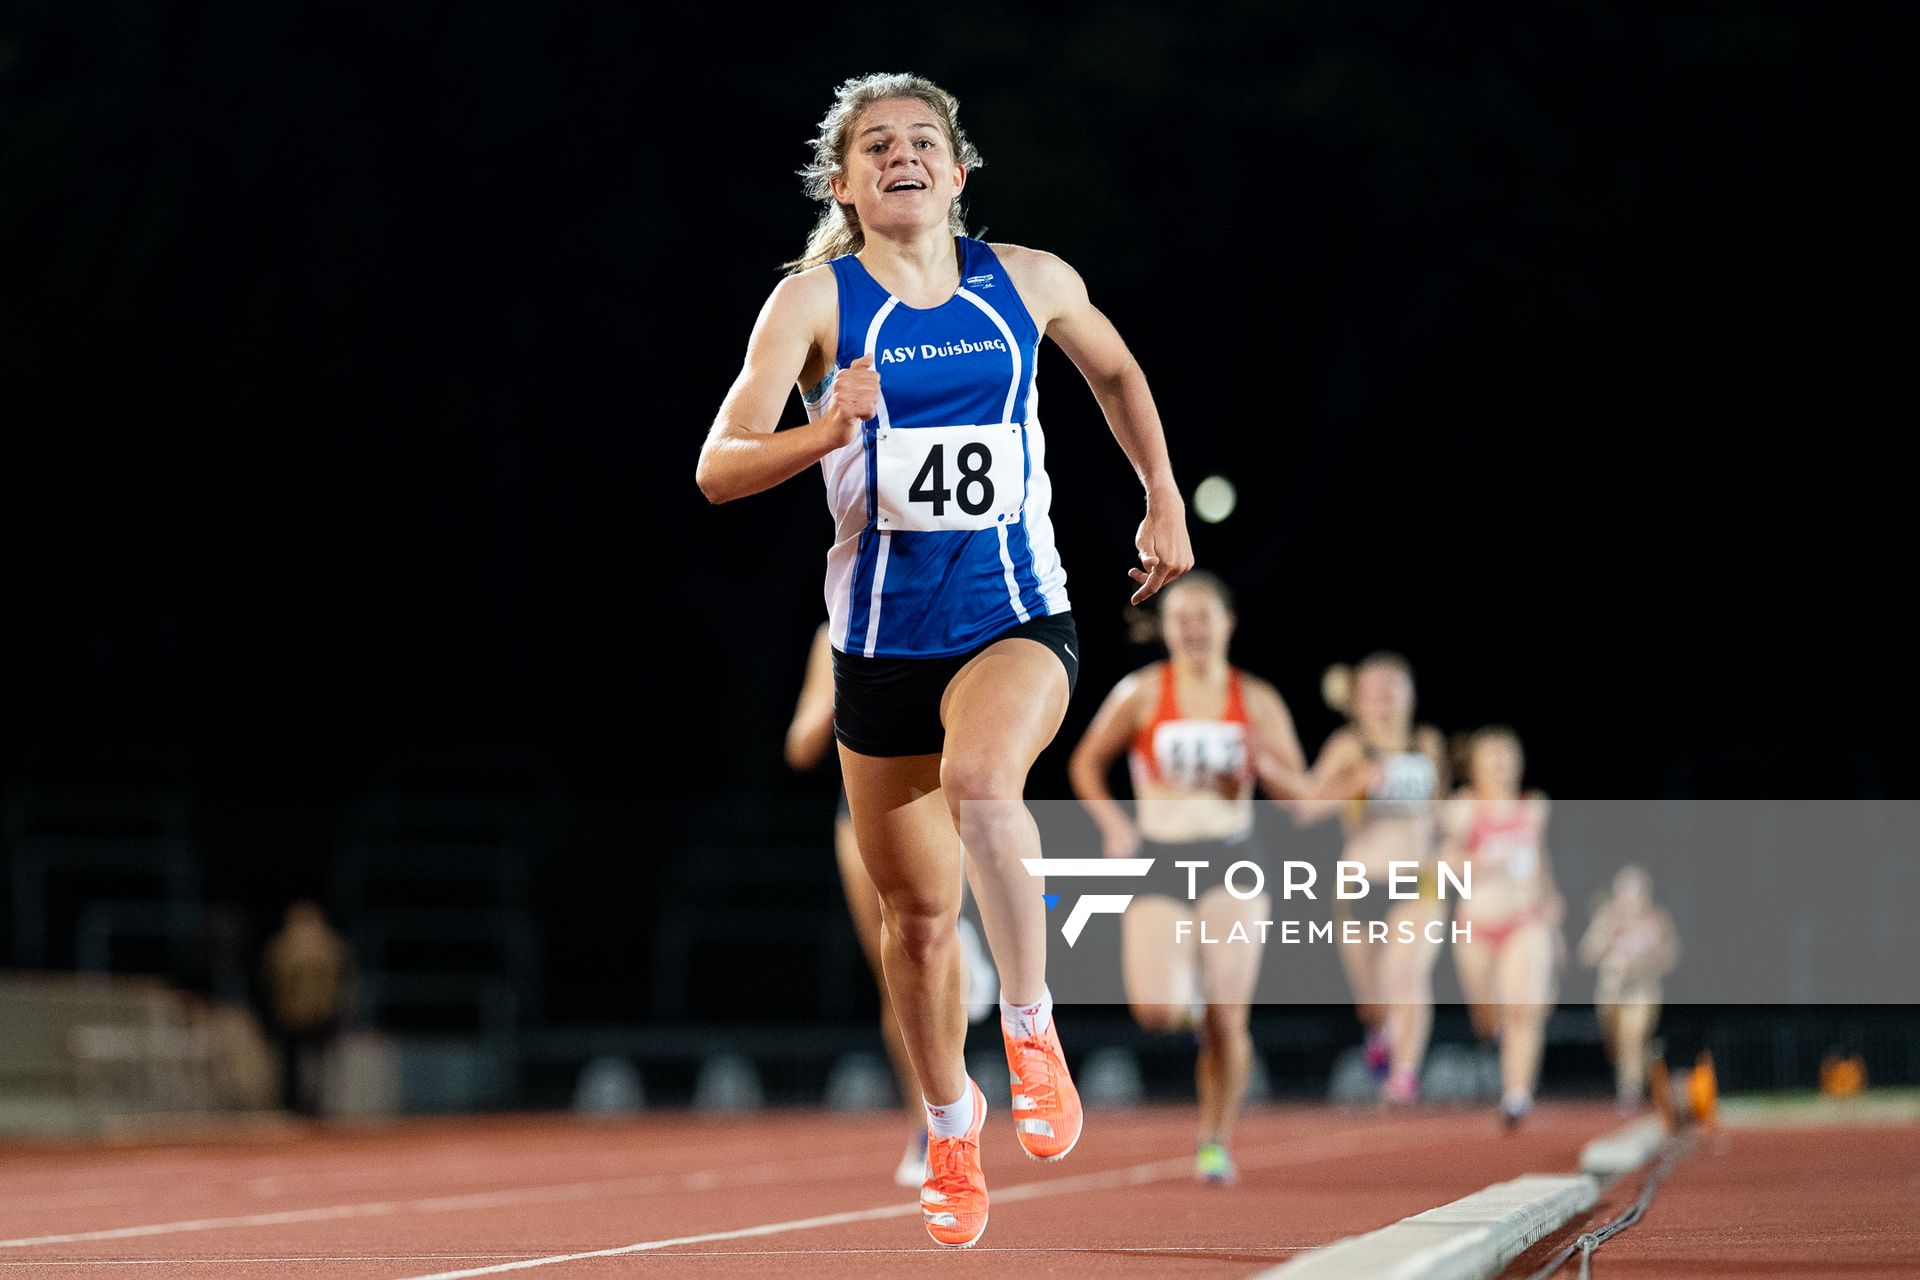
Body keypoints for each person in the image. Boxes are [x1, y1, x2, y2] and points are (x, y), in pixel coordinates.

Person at [697, 72, 1192, 1248]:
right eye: (878, 145)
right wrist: (827, 424)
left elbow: (1117, 373)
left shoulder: (1028, 280)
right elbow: (718, 464)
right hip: (879, 645)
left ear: (960, 172)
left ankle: (1030, 1024)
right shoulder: (812, 306)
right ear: (844, 181)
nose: (903, 156)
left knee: (985, 786)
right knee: (915, 923)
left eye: (925, 141)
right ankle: (950, 1121)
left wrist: (1161, 495)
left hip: (1016, 613)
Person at [1068, 571, 1307, 1185]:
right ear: (1166, 628)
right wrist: (1114, 826)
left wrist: (1261, 765)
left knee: (1228, 1023)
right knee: (1155, 1010)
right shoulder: (1142, 693)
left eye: (1206, 616)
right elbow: (1085, 764)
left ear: (1228, 623)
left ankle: (1215, 1139)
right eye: (1182, 617)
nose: (1195, 628)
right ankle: (1193, 1009)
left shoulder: (1256, 699)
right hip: (1161, 862)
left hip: (1232, 863)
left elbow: (1301, 798)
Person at [786, 620, 999, 1187]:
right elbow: (801, 745)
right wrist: (856, 685)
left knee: (936, 940)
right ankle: (930, 1123)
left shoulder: (965, 607)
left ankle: (970, 955)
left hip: (940, 800)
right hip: (863, 812)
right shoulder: (833, 632)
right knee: (897, 972)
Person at [1295, 654, 1449, 1105]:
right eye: (1373, 687)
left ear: (1411, 694)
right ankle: (1380, 1032)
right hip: (1359, 886)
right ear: (1357, 700)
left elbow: (1439, 811)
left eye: (1392, 685)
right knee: (1373, 1001)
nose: (1383, 695)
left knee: (1405, 974)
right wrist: (1358, 781)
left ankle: (1404, 1075)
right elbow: (1306, 808)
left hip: (1418, 880)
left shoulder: (1427, 742)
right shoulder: (1348, 746)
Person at [1439, 727, 1564, 1128]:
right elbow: (1441, 863)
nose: (1499, 763)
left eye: (1506, 754)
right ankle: (1496, 1040)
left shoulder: (1534, 806)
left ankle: (1516, 1096)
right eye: (1490, 755)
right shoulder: (1463, 807)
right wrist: (1482, 862)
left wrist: (1551, 906)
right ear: (1474, 764)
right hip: (1475, 925)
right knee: (1488, 1019)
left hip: (1525, 921)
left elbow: (1541, 861)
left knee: (1522, 1011)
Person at [1579, 865, 1680, 1110]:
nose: (1629, 898)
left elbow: (1671, 956)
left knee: (1632, 1036)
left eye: (1635, 892)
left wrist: (1648, 960)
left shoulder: (1656, 919)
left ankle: (1630, 1089)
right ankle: (1646, 1066)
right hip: (1611, 991)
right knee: (1616, 1042)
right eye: (1624, 891)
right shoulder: (1606, 917)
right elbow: (1586, 954)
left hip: (1642, 989)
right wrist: (1607, 938)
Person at [260, 900, 354, 1117]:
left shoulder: (286, 945)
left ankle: (304, 1105)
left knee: (309, 1063)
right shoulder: (328, 944)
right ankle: (301, 1105)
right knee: (298, 1063)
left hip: (307, 1012)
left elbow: (270, 979)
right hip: (308, 1012)